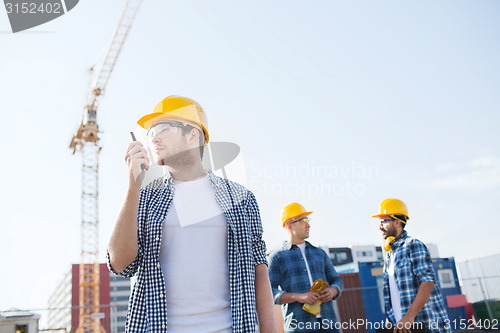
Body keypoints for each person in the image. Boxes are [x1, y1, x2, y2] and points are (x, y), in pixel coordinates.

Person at [107, 95, 276, 332]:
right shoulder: (144, 197)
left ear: (193, 135)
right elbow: (120, 264)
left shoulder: (241, 199)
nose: (153, 136)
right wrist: (133, 186)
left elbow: (260, 272)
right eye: (151, 132)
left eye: (163, 128)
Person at [373, 198, 451, 333]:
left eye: (384, 222)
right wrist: (389, 322)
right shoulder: (389, 256)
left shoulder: (412, 245)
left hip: (424, 325)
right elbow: (393, 294)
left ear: (397, 222)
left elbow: (428, 282)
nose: (380, 227)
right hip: (402, 328)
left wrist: (409, 317)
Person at [268, 202, 343, 333]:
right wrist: (298, 297)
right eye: (303, 220)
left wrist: (332, 291)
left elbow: (337, 281)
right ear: (289, 225)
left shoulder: (320, 253)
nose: (308, 225)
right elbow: (270, 292)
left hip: (328, 324)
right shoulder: (277, 257)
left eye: (307, 220)